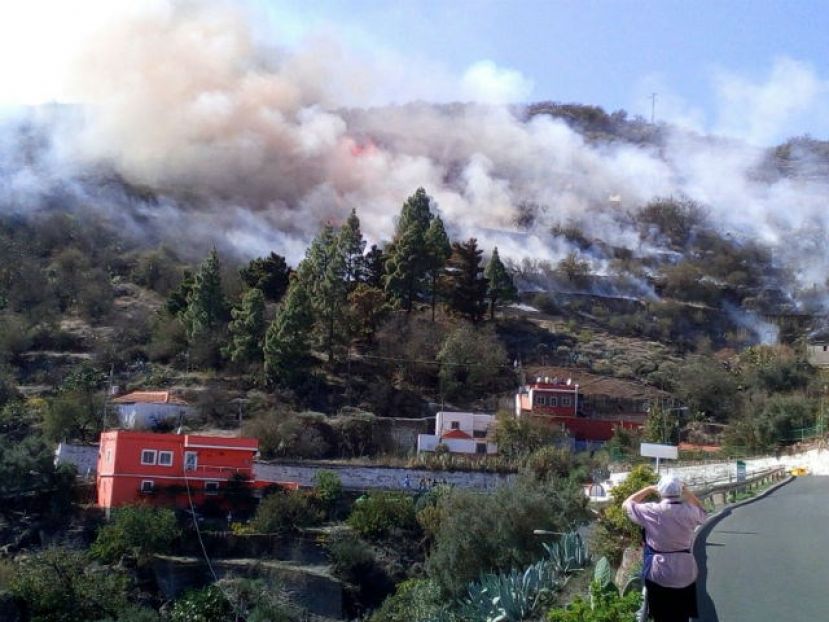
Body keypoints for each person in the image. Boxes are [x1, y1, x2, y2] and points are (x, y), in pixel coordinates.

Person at [622, 476, 707, 622]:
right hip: (686, 570)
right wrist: (686, 491)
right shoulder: (690, 511)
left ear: (660, 492)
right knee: (682, 616)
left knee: (661, 616)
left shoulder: (651, 510)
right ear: (680, 491)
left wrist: (648, 489)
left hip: (659, 571)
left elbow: (626, 504)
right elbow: (702, 511)